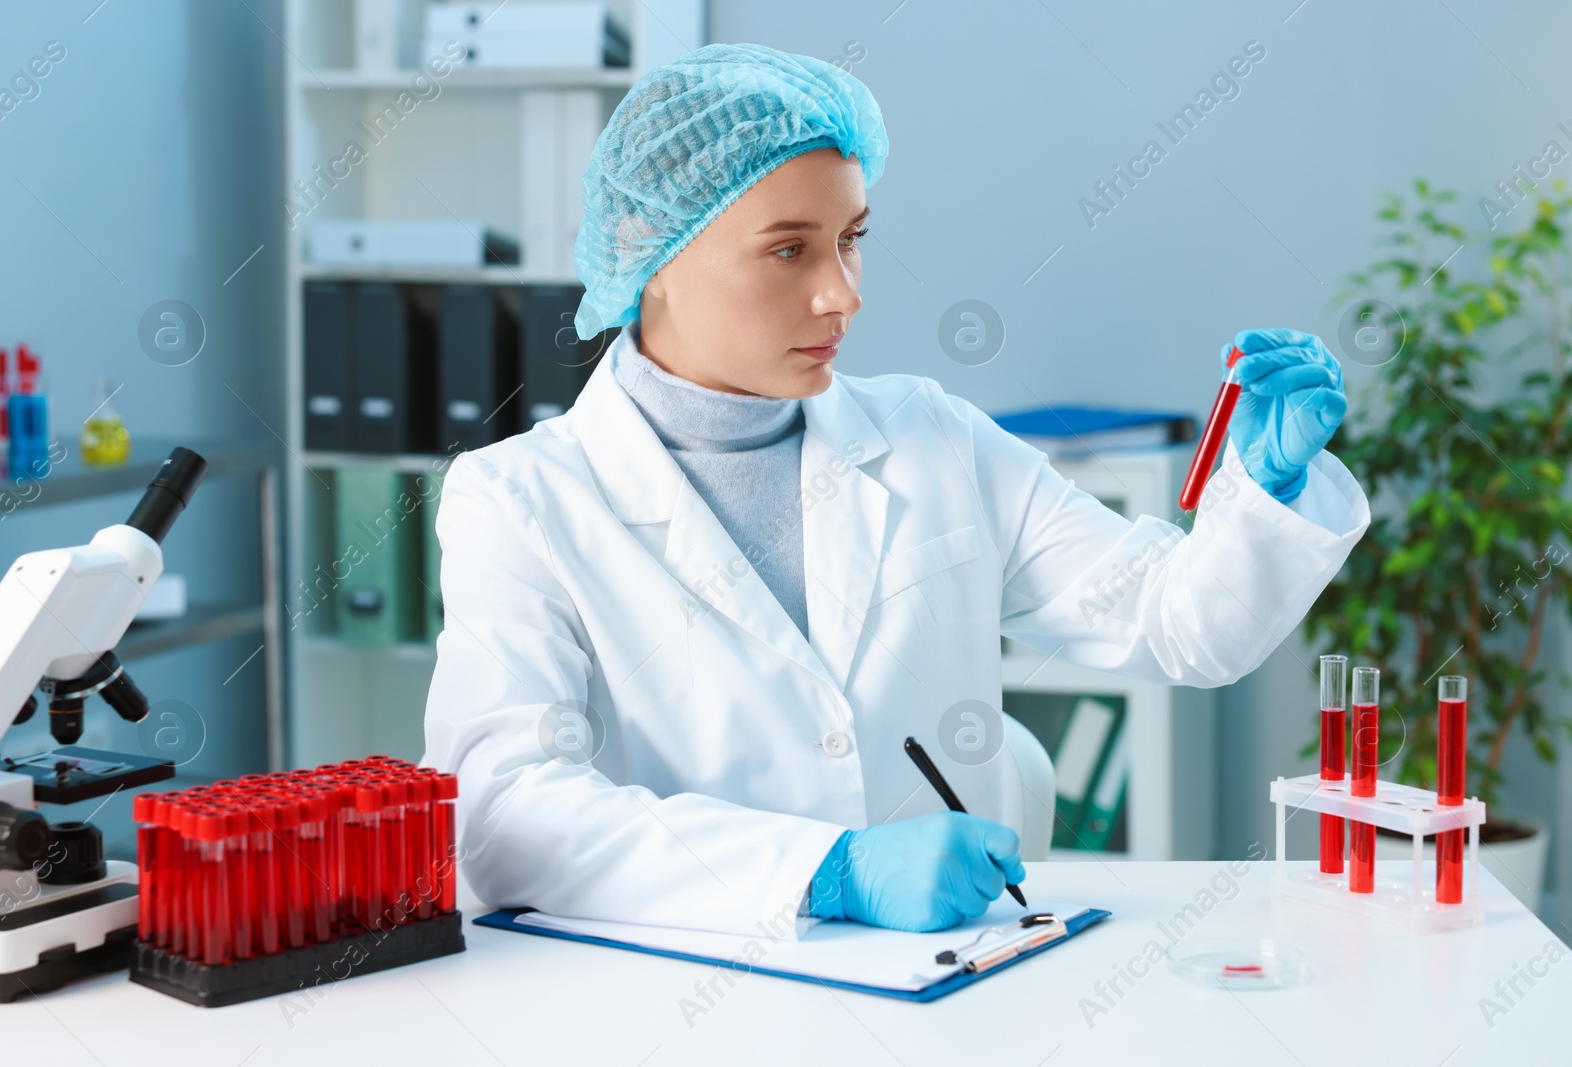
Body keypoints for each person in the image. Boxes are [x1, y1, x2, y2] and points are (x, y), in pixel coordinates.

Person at [422, 43, 1369, 938]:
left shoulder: (930, 436)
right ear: (648, 249)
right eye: (791, 249)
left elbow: (1177, 626)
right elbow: (503, 807)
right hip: (687, 987)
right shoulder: (519, 501)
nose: (843, 294)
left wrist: (1264, 489)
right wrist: (827, 868)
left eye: (852, 239)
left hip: (952, 979)